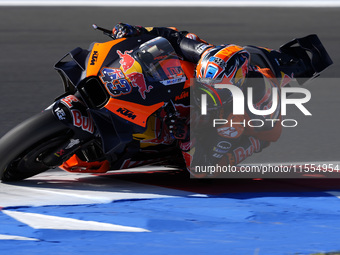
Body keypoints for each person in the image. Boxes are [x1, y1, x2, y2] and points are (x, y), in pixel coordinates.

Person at [111, 23, 283, 177]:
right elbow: (173, 36)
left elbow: (202, 168)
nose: (204, 98)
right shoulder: (207, 55)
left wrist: (187, 138)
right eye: (203, 88)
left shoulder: (235, 121)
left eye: (215, 94)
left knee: (214, 166)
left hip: (248, 133)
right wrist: (137, 30)